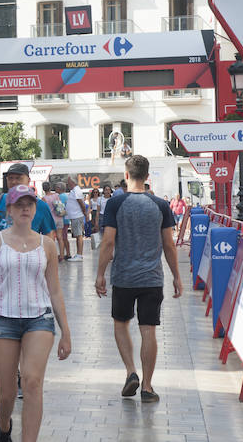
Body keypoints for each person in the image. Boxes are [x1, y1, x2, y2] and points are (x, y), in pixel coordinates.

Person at [0, 185, 71, 442]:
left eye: (30, 204)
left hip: (39, 319)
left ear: (35, 209)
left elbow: (55, 291)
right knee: (5, 393)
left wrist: (66, 332)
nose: (25, 208)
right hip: (2, 320)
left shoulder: (47, 245)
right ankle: (4, 426)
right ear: (10, 210)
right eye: (19, 204)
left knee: (32, 381)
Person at [95, 155, 183, 403]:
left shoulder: (115, 203)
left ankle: (130, 371)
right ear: (147, 177)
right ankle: (147, 386)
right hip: (152, 279)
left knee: (120, 324)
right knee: (148, 330)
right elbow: (169, 245)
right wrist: (177, 276)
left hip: (123, 278)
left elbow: (108, 242)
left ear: (126, 175)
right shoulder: (160, 205)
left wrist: (100, 274)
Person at [0, 164, 57, 289]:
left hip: (28, 273)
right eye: (10, 178)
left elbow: (49, 238)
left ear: (28, 180)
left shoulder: (40, 206)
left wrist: (48, 270)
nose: (14, 181)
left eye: (18, 178)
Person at [64, 177, 87, 262]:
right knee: (77, 235)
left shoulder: (76, 190)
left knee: (79, 235)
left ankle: (79, 254)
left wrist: (85, 213)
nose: (67, 183)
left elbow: (81, 203)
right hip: (74, 216)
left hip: (77, 215)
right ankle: (78, 254)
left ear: (72, 182)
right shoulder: (74, 190)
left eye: (68, 181)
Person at [41, 183, 66, 262]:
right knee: (60, 237)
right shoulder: (56, 195)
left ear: (43, 189)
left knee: (51, 239)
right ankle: (62, 255)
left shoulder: (44, 199)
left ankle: (53, 256)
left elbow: (45, 211)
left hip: (51, 220)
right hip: (59, 218)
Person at [55, 182, 72, 261]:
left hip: (62, 219)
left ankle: (67, 253)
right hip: (66, 219)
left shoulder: (60, 197)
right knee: (64, 237)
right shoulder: (66, 196)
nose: (55, 189)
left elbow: (59, 208)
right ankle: (66, 253)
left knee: (63, 237)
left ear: (59, 188)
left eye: (56, 187)